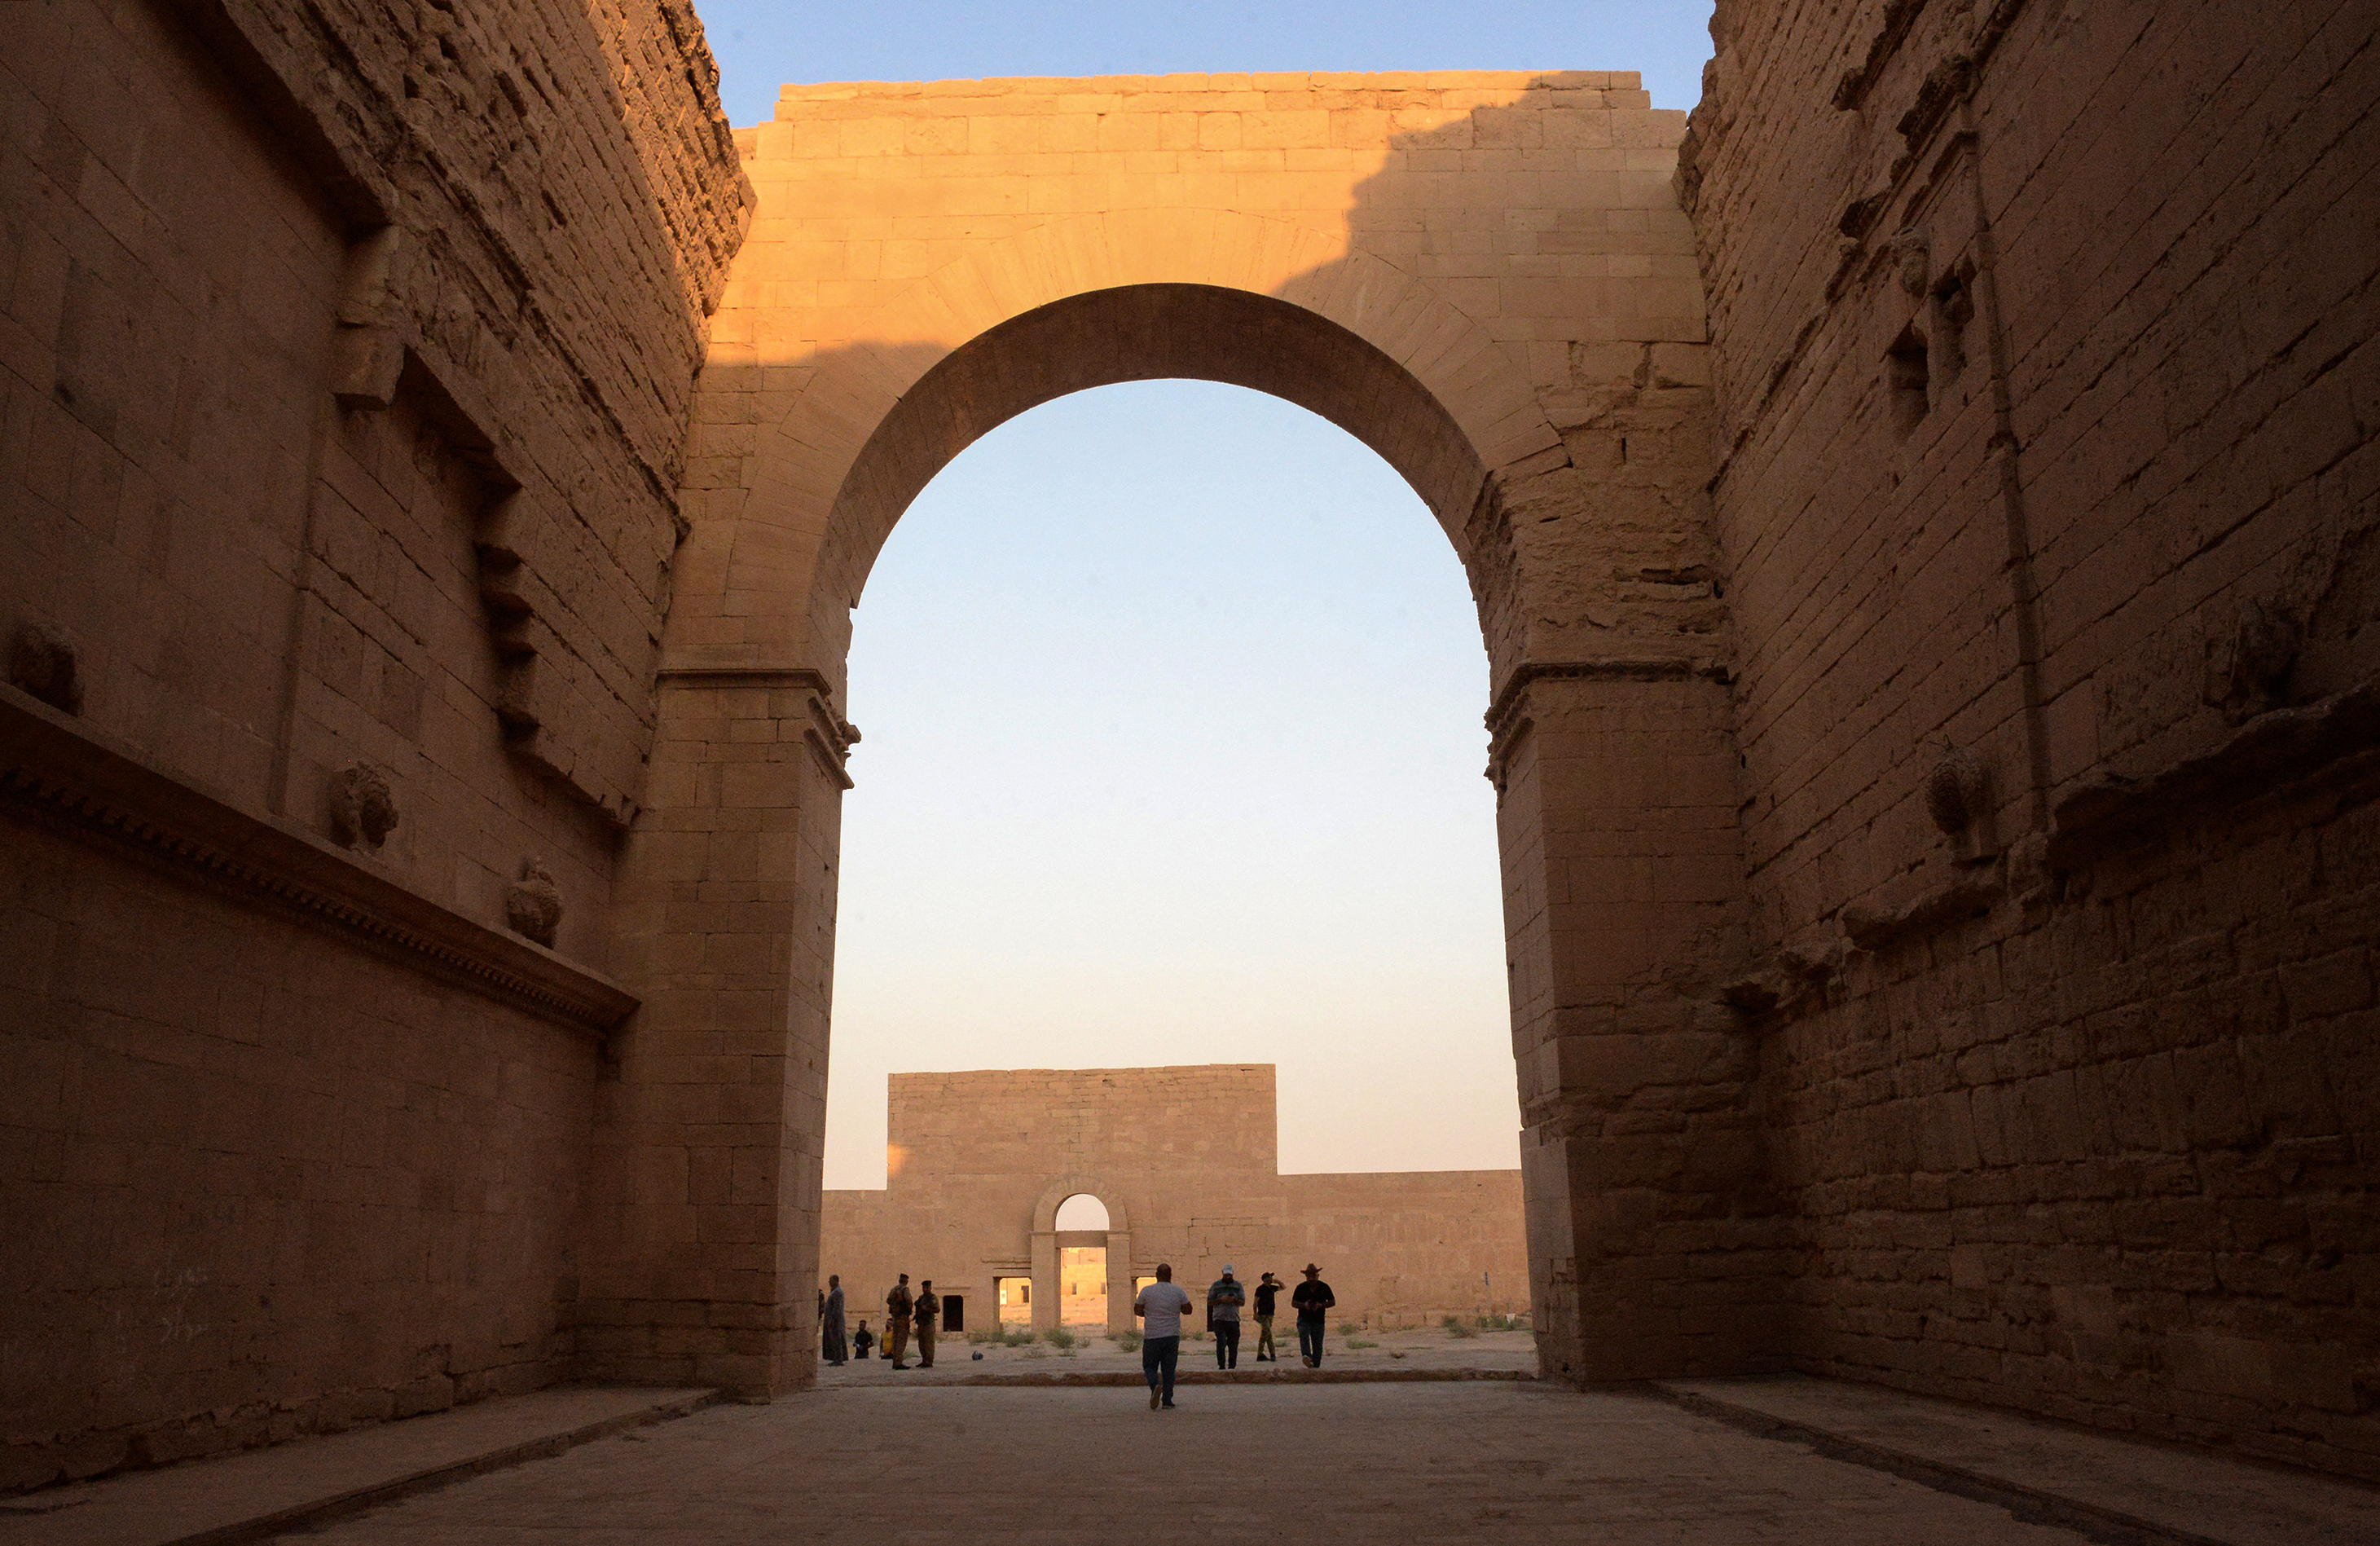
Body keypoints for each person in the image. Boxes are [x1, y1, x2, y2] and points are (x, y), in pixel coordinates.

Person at [1133, 1262, 1195, 1410]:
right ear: (1170, 1276)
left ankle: (1155, 1385)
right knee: (1169, 1369)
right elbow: (1188, 1310)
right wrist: (1176, 1309)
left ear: (1156, 1275)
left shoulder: (1147, 1291)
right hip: (1171, 1336)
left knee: (1149, 1366)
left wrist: (1149, 1314)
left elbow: (1137, 1310)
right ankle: (1167, 1401)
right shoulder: (1178, 1291)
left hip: (1152, 1335)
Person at [1292, 1262, 1335, 1368]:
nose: (1311, 1278)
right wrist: (1304, 1305)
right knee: (1303, 1333)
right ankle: (1306, 1355)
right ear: (1306, 1277)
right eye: (1309, 1276)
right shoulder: (1301, 1288)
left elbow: (1332, 1301)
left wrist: (1321, 1305)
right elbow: (1294, 1303)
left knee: (1318, 1345)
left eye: (1313, 1276)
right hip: (1304, 1318)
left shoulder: (1324, 1287)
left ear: (1318, 1275)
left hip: (1318, 1320)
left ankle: (1315, 1365)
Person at [1205, 1264, 1245, 1369]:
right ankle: (1221, 1365)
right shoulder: (1216, 1286)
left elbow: (1242, 1302)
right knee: (1221, 1342)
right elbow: (1209, 1301)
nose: (1228, 1277)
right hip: (1220, 1319)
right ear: (1223, 1273)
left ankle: (1232, 1365)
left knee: (1233, 1344)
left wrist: (1234, 1300)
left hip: (1233, 1319)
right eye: (1226, 1275)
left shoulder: (1238, 1286)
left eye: (1229, 1275)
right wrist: (1221, 1300)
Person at [885, 1275, 914, 1370]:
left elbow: (888, 1300)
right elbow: (909, 1302)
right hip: (902, 1317)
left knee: (895, 1340)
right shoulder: (905, 1290)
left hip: (895, 1317)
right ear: (906, 1281)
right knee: (901, 1340)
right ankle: (898, 1362)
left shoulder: (893, 1290)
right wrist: (908, 1310)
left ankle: (895, 1362)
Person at [1252, 1271, 1282, 1362]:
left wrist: (1278, 1282)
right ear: (1265, 1279)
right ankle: (1271, 1354)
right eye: (1269, 1277)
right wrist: (1255, 1313)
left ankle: (1261, 1354)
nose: (1271, 1279)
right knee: (1268, 1333)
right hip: (1263, 1314)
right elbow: (1255, 1302)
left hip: (1270, 1314)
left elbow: (1283, 1287)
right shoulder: (1260, 1289)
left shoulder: (1272, 1288)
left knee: (1265, 1334)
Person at [913, 1279, 940, 1369]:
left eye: (926, 1287)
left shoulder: (932, 1298)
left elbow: (937, 1310)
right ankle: (924, 1360)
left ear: (930, 1288)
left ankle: (929, 1361)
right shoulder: (921, 1298)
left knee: (929, 1343)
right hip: (921, 1322)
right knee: (922, 1343)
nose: (924, 1289)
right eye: (923, 1287)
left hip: (928, 1323)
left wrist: (927, 1309)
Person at [821, 1275, 847, 1366]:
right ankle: (836, 1358)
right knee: (834, 1339)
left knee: (837, 1339)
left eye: (831, 1281)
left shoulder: (837, 1292)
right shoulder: (834, 1291)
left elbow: (837, 1308)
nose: (829, 1283)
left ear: (836, 1281)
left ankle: (838, 1359)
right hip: (834, 1320)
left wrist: (833, 1319)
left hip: (836, 1321)